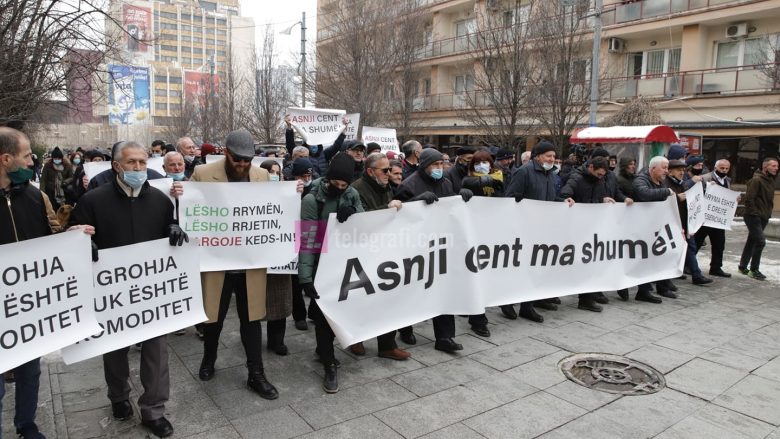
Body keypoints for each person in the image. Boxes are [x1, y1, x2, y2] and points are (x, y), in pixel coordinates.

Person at [68, 140, 187, 438]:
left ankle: (154, 409)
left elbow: (171, 233)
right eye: (131, 162)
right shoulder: (93, 201)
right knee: (114, 350)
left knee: (157, 351)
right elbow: (72, 236)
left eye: (142, 163)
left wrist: (175, 229)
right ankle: (119, 397)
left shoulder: (160, 201)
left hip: (152, 293)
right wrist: (84, 242)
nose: (138, 168)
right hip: (112, 295)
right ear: (116, 166)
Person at [190, 130, 279, 400]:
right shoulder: (204, 174)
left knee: (251, 318)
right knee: (213, 318)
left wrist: (291, 193)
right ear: (226, 153)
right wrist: (179, 193)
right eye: (238, 159)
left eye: (247, 160)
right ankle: (209, 358)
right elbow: (189, 210)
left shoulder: (262, 176)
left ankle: (256, 373)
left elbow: (272, 209)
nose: (242, 165)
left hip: (249, 262)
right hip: (217, 262)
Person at [0, 127, 62, 439]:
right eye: (27, 156)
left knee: (30, 372)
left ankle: (26, 425)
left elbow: (53, 236)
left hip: (28, 306)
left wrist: (74, 239)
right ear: (6, 159)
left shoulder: (36, 196)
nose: (31, 161)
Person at [299, 153, 366, 393]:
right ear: (328, 179)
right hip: (320, 264)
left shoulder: (352, 193)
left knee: (339, 312)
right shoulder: (311, 200)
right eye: (335, 184)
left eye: (344, 185)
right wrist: (305, 278)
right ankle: (329, 363)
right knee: (322, 316)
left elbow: (363, 225)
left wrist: (353, 213)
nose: (340, 188)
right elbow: (307, 240)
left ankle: (322, 349)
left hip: (344, 263)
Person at [395, 148, 473, 352]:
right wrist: (416, 202)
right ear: (424, 165)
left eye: (442, 164)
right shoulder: (408, 184)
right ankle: (405, 328)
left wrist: (461, 197)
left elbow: (451, 210)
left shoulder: (446, 183)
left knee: (444, 290)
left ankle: (445, 337)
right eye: (435, 165)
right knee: (413, 290)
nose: (440, 168)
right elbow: (398, 214)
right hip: (416, 247)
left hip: (441, 246)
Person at [349, 153, 412, 360]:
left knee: (387, 299)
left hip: (385, 249)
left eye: (389, 170)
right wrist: (388, 209)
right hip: (363, 252)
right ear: (370, 171)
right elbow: (362, 219)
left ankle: (387, 344)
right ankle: (355, 337)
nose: (389, 174)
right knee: (361, 298)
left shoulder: (383, 186)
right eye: (384, 170)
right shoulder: (357, 189)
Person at [504, 141, 574, 322]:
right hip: (523, 229)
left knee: (535, 269)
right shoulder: (524, 172)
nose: (552, 159)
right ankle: (507, 302)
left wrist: (563, 201)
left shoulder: (551, 175)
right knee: (518, 268)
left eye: (553, 156)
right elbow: (511, 198)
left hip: (542, 230)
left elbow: (550, 199)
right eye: (548, 156)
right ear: (537, 156)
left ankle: (527, 307)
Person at [560, 156, 633, 311]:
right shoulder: (577, 178)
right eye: (599, 174)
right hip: (577, 228)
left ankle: (587, 298)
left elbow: (597, 197)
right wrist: (567, 199)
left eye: (603, 175)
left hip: (593, 228)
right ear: (591, 167)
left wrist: (603, 199)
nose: (601, 177)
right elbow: (565, 193)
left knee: (591, 264)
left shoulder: (599, 180)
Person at [632, 156, 679, 304]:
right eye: (664, 168)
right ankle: (644, 291)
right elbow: (644, 194)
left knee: (662, 256)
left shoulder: (660, 182)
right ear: (653, 169)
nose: (667, 171)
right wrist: (666, 192)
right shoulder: (641, 180)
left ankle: (663, 286)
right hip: (642, 228)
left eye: (667, 168)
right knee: (646, 259)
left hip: (658, 227)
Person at [666, 160, 713, 288]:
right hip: (674, 223)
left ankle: (696, 275)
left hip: (685, 222)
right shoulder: (667, 183)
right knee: (673, 251)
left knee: (690, 248)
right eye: (678, 170)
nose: (681, 172)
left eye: (683, 170)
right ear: (670, 171)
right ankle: (667, 278)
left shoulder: (681, 183)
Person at [738, 157, 778, 280]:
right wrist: (755, 214)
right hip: (753, 216)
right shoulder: (756, 180)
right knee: (760, 241)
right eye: (773, 166)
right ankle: (754, 270)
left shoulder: (770, 180)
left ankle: (743, 266)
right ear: (765, 167)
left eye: (777, 166)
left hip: (763, 216)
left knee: (752, 241)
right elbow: (749, 199)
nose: (776, 168)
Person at [695, 159, 735, 277]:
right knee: (697, 241)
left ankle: (716, 267)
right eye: (722, 168)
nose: (724, 170)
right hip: (706, 218)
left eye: (727, 168)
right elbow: (698, 193)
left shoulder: (727, 181)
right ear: (715, 167)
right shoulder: (705, 178)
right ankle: (687, 265)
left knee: (719, 244)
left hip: (718, 219)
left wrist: (734, 199)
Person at [290, 158, 315, 331]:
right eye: (303, 175)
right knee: (295, 280)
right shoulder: (288, 189)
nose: (307, 178)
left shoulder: (317, 189)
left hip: (313, 233)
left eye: (309, 174)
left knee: (315, 275)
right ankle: (299, 316)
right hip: (292, 237)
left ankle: (314, 311)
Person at [40, 146, 73, 211]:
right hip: (50, 191)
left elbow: (71, 177)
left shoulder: (67, 165)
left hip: (63, 191)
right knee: (52, 209)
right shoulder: (48, 165)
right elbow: (43, 179)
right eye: (55, 158)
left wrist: (66, 182)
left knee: (62, 210)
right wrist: (42, 192)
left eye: (59, 158)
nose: (57, 159)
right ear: (52, 158)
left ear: (61, 158)